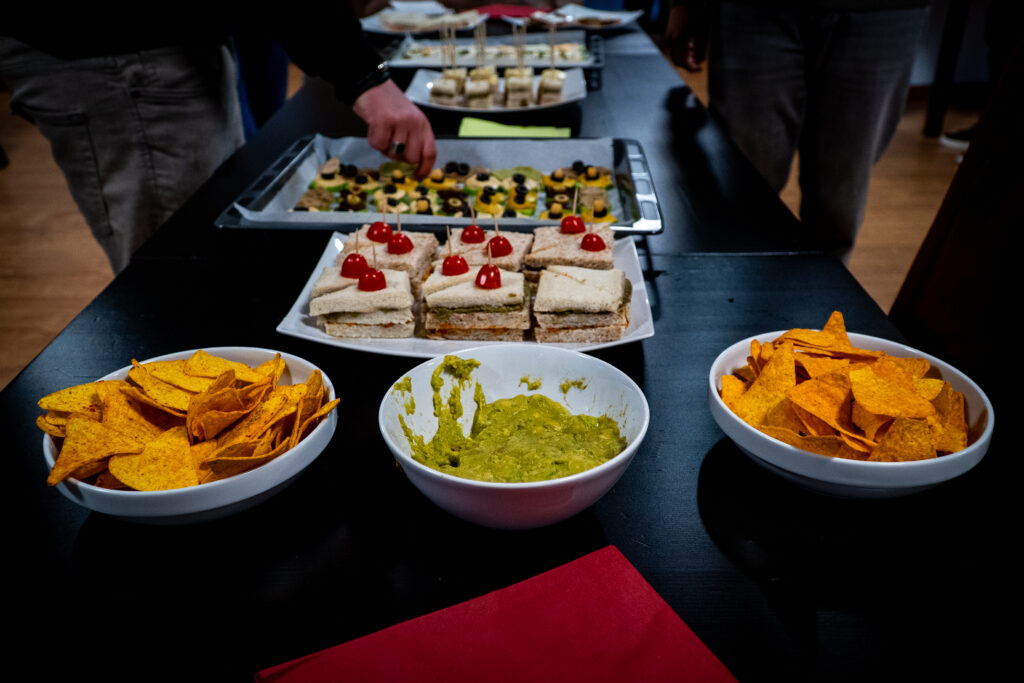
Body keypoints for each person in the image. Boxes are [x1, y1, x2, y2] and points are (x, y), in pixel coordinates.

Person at [0, 11, 435, 274]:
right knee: (180, 274)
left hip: (159, 51)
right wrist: (359, 73)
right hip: (123, 55)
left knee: (206, 257)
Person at [665, 0, 932, 261]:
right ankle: (737, 298)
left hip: (883, 13)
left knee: (836, 212)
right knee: (741, 196)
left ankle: (822, 300)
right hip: (754, 11)